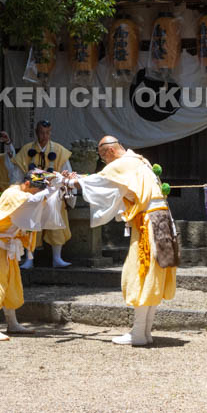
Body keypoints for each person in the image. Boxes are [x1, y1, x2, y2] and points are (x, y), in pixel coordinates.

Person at [65, 136, 179, 346]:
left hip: (149, 223)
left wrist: (70, 181)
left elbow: (99, 181)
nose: (104, 162)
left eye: (102, 157)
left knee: (141, 274)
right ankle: (145, 332)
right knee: (155, 275)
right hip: (164, 219)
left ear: (109, 151)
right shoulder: (140, 161)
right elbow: (101, 179)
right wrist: (79, 178)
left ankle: (138, 333)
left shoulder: (122, 163)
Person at [0, 169, 63, 341]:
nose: (38, 192)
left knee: (11, 284)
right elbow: (32, 200)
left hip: (8, 247)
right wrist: (51, 188)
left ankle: (12, 323)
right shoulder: (13, 193)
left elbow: (36, 200)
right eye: (36, 188)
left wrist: (58, 184)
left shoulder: (27, 195)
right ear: (27, 184)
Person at [12, 120, 75, 268]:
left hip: (54, 195)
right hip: (33, 195)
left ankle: (57, 258)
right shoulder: (26, 150)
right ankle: (29, 259)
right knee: (30, 226)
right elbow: (17, 175)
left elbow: (66, 174)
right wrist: (19, 191)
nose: (44, 136)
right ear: (36, 132)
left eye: (47, 132)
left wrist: (64, 178)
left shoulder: (59, 150)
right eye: (41, 132)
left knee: (57, 224)